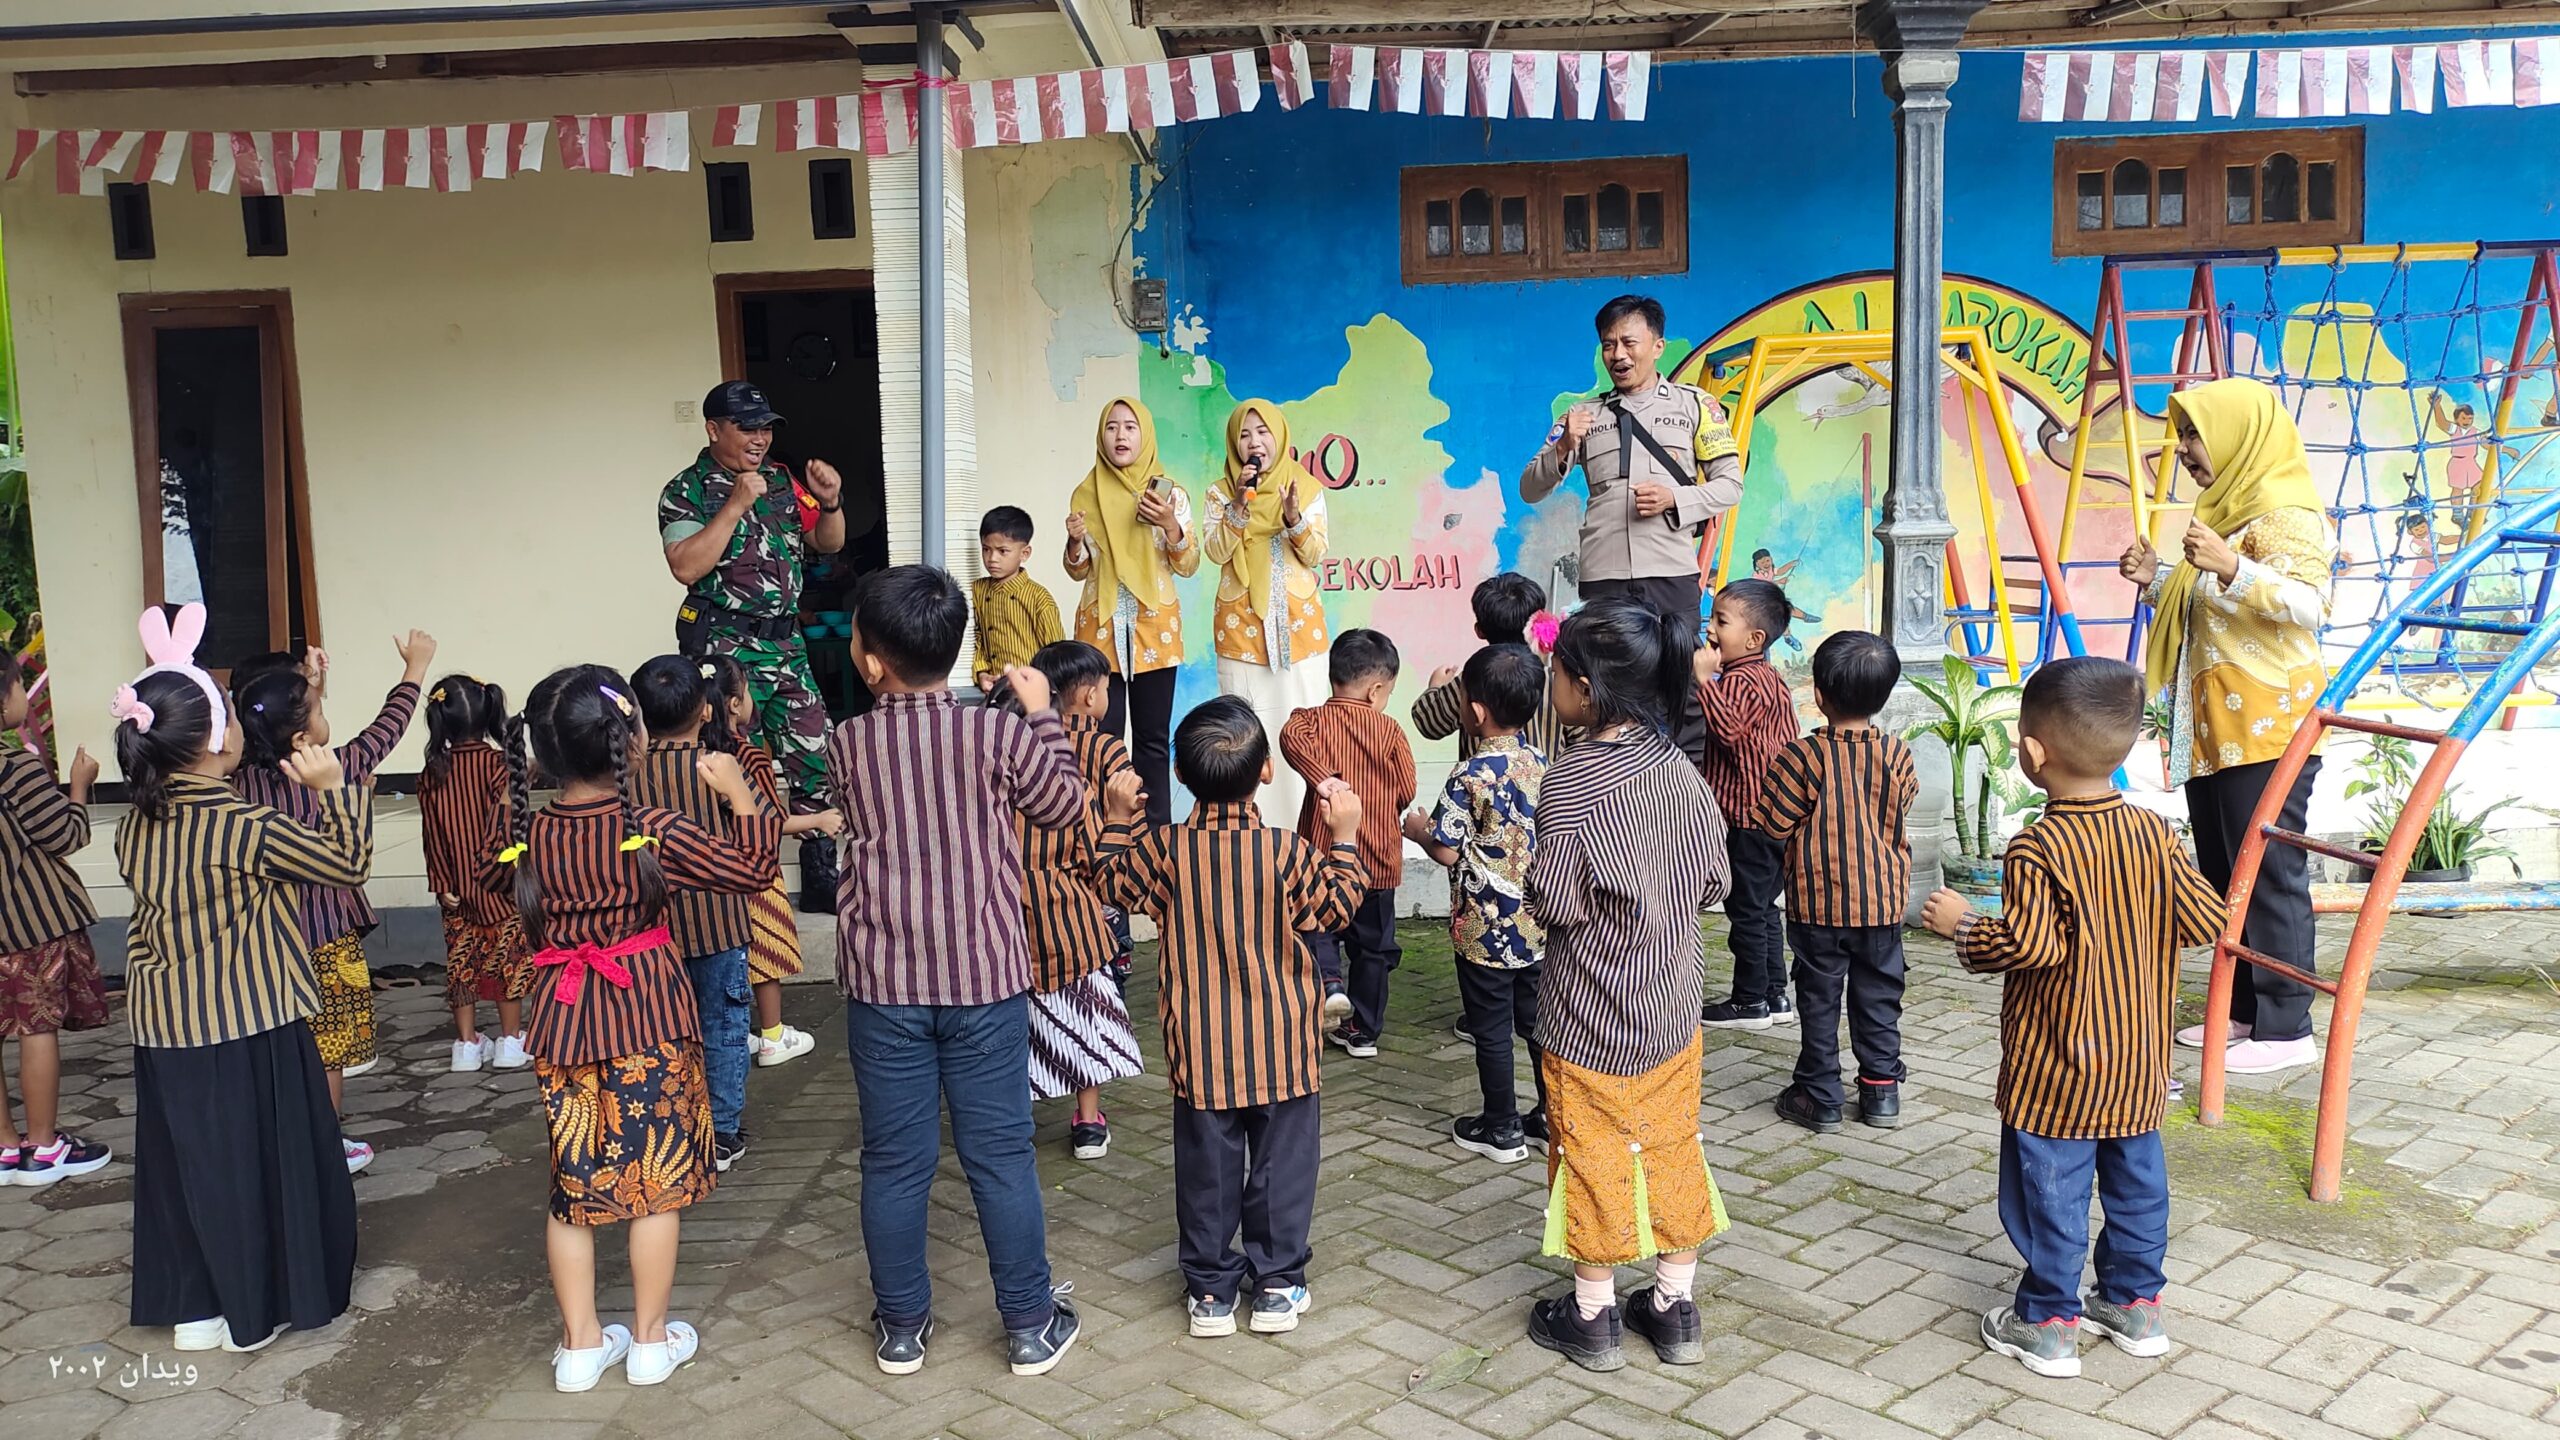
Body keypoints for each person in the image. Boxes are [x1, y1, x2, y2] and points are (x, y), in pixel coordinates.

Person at [1921, 657, 2226, 1380]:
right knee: (2137, 1184)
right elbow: (2205, 917)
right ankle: (2135, 1304)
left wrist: (1965, 925)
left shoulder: (2038, 846)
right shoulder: (2153, 833)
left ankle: (2050, 1319)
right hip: (2137, 1059)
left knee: (2050, 1190)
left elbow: (2030, 944)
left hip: (2055, 1063)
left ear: (2032, 753)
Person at [826, 565, 1087, 1379]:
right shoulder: (999, 734)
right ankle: (1028, 1324)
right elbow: (1066, 808)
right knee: (1001, 1155)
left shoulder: (845, 744)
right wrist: (1042, 717)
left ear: (870, 662)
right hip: (985, 978)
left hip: (884, 984)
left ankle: (902, 1327)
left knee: (893, 1161)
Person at [491, 666, 780, 1391]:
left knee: (574, 1182)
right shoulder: (646, 830)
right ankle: (650, 1342)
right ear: (632, 740)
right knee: (655, 1179)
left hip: (562, 1016)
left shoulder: (527, 835)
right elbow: (752, 870)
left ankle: (581, 1347)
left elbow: (488, 882)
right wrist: (741, 797)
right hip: (646, 1010)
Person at [112, 602, 366, 1355]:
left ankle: (196, 1307)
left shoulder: (135, 822)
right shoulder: (235, 822)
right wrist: (334, 789)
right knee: (256, 1165)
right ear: (211, 736)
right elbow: (345, 868)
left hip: (165, 1025)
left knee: (187, 1167)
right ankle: (256, 1310)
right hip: (246, 1017)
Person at [1091, 697, 1365, 1340]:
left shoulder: (1164, 852)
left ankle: (1211, 1292)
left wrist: (1116, 818)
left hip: (1201, 1046)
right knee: (1282, 1167)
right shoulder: (1286, 852)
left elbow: (1108, 883)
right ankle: (1276, 1285)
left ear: (1180, 778)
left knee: (1207, 1169)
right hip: (1283, 1046)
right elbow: (1337, 910)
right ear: (1266, 772)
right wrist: (1347, 835)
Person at [1523, 599, 1733, 1373]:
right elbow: (1715, 877)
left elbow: (1555, 902)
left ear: (1582, 686)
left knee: (1593, 1152)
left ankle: (1593, 1316)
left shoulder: (1571, 782)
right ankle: (1675, 1309)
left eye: (1556, 671)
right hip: (1675, 1001)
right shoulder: (1678, 764)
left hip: (1589, 1014)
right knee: (1673, 1140)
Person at [2118, 377, 2334, 1077]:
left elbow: (2310, 604)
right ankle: (2243, 1011)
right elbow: (2213, 613)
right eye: (2180, 435)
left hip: (2270, 727)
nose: (2184, 450)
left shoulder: (2285, 511)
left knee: (2268, 873)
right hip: (2215, 729)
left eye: (2194, 434)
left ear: (2240, 433)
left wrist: (2234, 565)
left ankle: (2287, 1024)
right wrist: (2157, 582)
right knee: (2223, 874)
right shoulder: (2225, 508)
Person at [233, 628, 435, 1175]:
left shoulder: (238, 786)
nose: (324, 716)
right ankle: (325, 1145)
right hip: (325, 935)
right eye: (317, 709)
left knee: (285, 1046)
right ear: (300, 738)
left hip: (268, 945)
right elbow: (386, 731)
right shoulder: (335, 769)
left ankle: (287, 1139)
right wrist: (415, 668)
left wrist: (312, 686)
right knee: (331, 1051)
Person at [1520, 295, 1743, 766]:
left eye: (1628, 342)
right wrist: (1565, 445)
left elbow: (1730, 484)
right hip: (1604, 576)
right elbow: (1530, 488)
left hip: (1670, 572)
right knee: (1604, 688)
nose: (1618, 355)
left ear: (1657, 346)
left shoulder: (1696, 407)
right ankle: (1612, 779)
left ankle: (1686, 790)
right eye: (1607, 345)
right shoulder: (1580, 416)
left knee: (1680, 684)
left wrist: (1675, 499)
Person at [660, 380, 848, 911]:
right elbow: (686, 565)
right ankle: (727, 875)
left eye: (766, 427)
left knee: (815, 754)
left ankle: (818, 877)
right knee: (726, 758)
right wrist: (736, 504)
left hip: (786, 646)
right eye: (747, 427)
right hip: (726, 649)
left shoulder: (782, 481)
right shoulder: (686, 490)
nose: (759, 438)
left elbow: (827, 544)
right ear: (714, 429)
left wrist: (832, 503)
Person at [1752, 632, 1917, 1133]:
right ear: (1884, 696)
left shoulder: (1800, 757)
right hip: (1883, 904)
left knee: (1819, 1000)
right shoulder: (1897, 754)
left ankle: (1820, 1094)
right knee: (1879, 995)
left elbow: (1773, 825)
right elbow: (1901, 807)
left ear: (1817, 694)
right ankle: (1880, 1090)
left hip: (1818, 906)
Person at [1403, 643, 1551, 1164]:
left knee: (1490, 1028)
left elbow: (1445, 849)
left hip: (1483, 929)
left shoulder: (1470, 775)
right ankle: (1549, 1118)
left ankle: (1502, 1126)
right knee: (1537, 1023)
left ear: (1476, 711)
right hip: (1537, 923)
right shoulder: (1541, 762)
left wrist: (1418, 830)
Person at [1008, 640, 1146, 1160]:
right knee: (1088, 1011)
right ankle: (1088, 1121)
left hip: (1016, 906)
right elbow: (1119, 822)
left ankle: (1015, 1116)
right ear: (1089, 696)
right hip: (1079, 903)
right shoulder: (1108, 749)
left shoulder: (1016, 746)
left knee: (1020, 1017)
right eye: (1107, 689)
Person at [630, 655, 763, 1173]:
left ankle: (673, 1128)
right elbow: (758, 828)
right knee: (724, 1026)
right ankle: (723, 1132)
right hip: (719, 920)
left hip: (650, 929)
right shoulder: (717, 767)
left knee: (662, 1032)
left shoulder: (626, 774)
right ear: (706, 712)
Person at [0, 649, 112, 1185]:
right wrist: (79, 786)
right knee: (35, 1028)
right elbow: (65, 834)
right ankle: (43, 1148)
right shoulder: (15, 766)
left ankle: (4, 1149)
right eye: (19, 685)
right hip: (29, 926)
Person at [1064, 396, 1200, 829]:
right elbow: (1078, 569)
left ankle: (1156, 833)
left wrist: (1170, 526)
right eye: (1111, 427)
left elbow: (1188, 563)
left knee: (1153, 741)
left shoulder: (1170, 495)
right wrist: (1072, 544)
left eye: (1129, 427)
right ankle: (1105, 831)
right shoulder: (1086, 492)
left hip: (1154, 630)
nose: (1120, 435)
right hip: (1100, 631)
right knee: (1101, 738)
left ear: (1145, 435)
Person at [1279, 629, 1415, 1059]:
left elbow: (1289, 738)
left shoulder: (1310, 721)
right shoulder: (1390, 731)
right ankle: (1364, 1031)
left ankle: (1329, 984)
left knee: (1318, 923)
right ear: (1376, 689)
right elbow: (1407, 787)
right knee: (1374, 947)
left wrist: (1322, 779)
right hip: (1378, 861)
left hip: (1323, 854)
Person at [702, 653, 834, 1069]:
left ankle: (734, 1032)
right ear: (735, 705)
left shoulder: (696, 757)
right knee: (765, 957)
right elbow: (769, 820)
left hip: (712, 872)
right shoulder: (749, 756)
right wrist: (819, 819)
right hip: (755, 870)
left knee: (728, 955)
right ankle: (774, 1035)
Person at [1205, 399, 1333, 827]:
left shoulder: (1306, 487)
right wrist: (1239, 506)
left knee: (1305, 731)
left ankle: (1307, 830)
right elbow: (1216, 551)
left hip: (1300, 633)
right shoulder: (1220, 492)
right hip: (1240, 632)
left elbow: (1315, 554)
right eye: (1244, 434)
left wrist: (1293, 518)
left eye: (1262, 432)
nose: (1254, 442)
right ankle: (1250, 832)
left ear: (1279, 436)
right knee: (1244, 733)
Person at [1694, 578, 1801, 1031]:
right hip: (1773, 814)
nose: (1711, 629)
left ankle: (1749, 1001)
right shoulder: (1769, 678)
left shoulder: (1741, 681)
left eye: (1722, 621)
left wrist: (1703, 680)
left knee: (1746, 910)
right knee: (1762, 907)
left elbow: (1729, 730)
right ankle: (1775, 995)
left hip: (1749, 817)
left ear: (1755, 639)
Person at [417, 672, 532, 1074]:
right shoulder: (500, 765)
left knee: (461, 965)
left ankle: (466, 1045)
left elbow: (431, 832)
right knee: (509, 963)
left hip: (455, 891)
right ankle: (510, 1040)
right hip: (499, 886)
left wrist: (441, 883)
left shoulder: (432, 771)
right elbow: (510, 825)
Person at [1411, 572, 1574, 761]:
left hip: (1482, 786)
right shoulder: (1558, 682)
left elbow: (1428, 723)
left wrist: (1435, 686)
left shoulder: (1472, 679)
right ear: (1537, 625)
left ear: (1479, 631)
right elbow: (1582, 738)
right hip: (1546, 789)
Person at [973, 507, 1065, 696]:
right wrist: (981, 672)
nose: (992, 559)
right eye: (986, 549)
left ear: (1024, 553)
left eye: (1002, 551)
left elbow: (1055, 653)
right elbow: (975, 638)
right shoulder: (977, 591)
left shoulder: (1039, 599)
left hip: (1031, 695)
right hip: (993, 693)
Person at [1748, 550, 1820, 654]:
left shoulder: (1771, 570)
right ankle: (1788, 637)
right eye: (1762, 562)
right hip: (1764, 603)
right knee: (1781, 616)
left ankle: (1805, 617)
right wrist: (1779, 582)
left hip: (1773, 599)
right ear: (1757, 565)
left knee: (1787, 608)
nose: (1766, 564)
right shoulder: (1756, 575)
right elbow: (1764, 585)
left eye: (1768, 560)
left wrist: (1791, 564)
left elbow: (1781, 570)